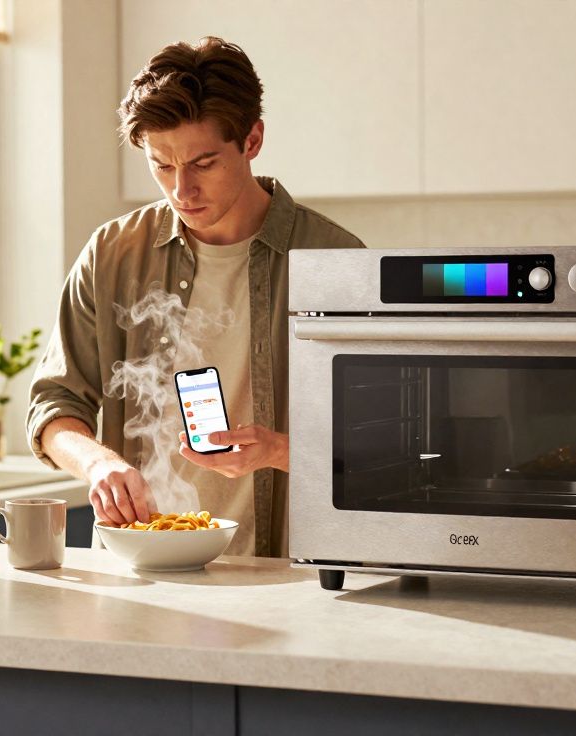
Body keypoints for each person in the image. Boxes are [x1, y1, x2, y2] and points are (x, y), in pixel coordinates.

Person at [26, 37, 364, 557]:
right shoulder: (113, 254)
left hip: (295, 573)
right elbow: (55, 405)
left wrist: (279, 451)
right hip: (143, 569)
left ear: (252, 140)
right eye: (161, 165)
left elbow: (382, 448)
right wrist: (99, 464)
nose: (182, 190)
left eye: (203, 163)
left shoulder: (335, 259)